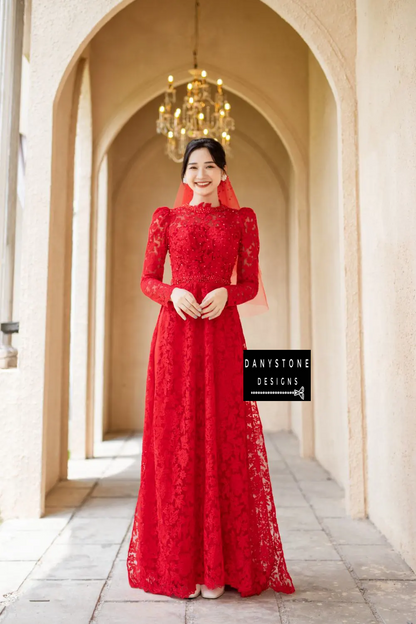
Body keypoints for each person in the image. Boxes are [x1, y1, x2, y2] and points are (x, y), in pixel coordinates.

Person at [126, 138, 295, 600]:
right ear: (185, 176)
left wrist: (227, 293)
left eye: (210, 166)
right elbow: (146, 278)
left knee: (224, 436)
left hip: (222, 338)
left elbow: (252, 282)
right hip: (175, 338)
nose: (201, 174)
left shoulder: (243, 220)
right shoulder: (166, 218)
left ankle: (221, 567)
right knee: (177, 440)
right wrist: (171, 293)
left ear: (223, 174)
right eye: (193, 167)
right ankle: (182, 566)